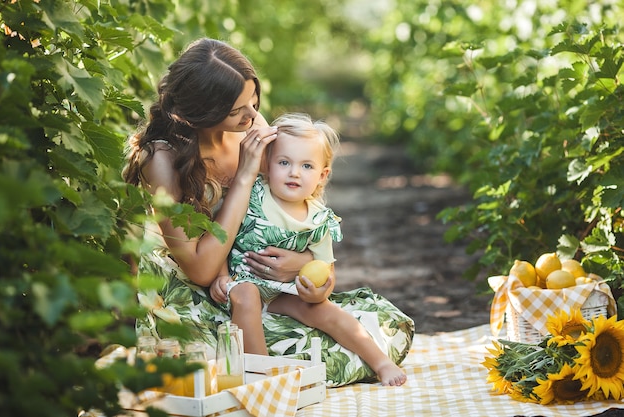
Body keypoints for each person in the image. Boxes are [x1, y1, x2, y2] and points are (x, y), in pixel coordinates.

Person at [123, 37, 415, 387]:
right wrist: (245, 176)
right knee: (225, 365)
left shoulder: (249, 125)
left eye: (254, 101)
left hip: (260, 283)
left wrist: (303, 264)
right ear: (202, 113)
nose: (253, 116)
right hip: (198, 298)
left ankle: (274, 371)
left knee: (384, 325)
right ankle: (265, 381)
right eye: (237, 110)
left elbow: (298, 208)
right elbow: (200, 271)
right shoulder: (164, 159)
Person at [210, 113, 407, 386]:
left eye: (306, 166)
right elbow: (222, 234)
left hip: (285, 293)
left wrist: (318, 291)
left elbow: (326, 271)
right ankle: (262, 378)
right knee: (246, 294)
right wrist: (220, 274)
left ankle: (380, 361)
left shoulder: (318, 220)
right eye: (284, 162)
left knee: (327, 311)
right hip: (243, 282)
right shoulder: (252, 195)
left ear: (322, 175)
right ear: (267, 164)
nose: (294, 172)